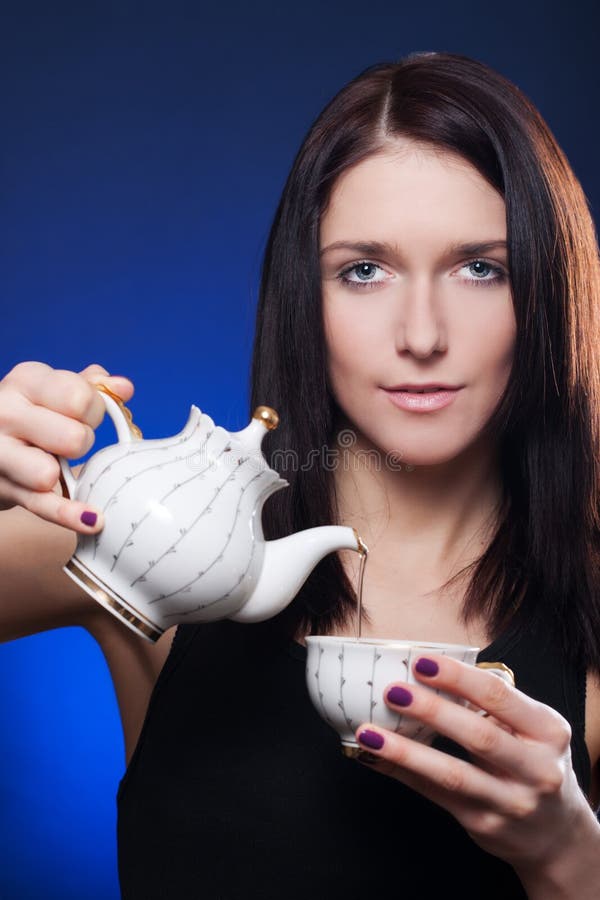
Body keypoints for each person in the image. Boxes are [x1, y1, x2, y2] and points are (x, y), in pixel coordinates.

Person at [1, 50, 600, 898]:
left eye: (481, 268)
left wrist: (570, 856)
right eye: (364, 270)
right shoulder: (165, 542)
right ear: (303, 296)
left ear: (548, 291)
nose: (421, 334)